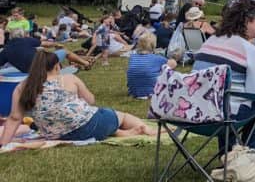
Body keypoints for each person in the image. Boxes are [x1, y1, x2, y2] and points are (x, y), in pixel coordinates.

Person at [1, 50, 156, 145]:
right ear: (57, 66)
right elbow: (91, 101)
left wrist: (4, 143)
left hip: (56, 135)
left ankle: (121, 133)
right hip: (87, 127)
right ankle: (148, 129)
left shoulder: (23, 86)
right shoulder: (68, 78)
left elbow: (14, 118)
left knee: (98, 119)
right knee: (118, 115)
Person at [193, 0, 255, 150]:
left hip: (195, 113)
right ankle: (247, 152)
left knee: (225, 99)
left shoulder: (209, 41)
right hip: (224, 117)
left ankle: (226, 153)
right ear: (247, 21)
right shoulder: (249, 50)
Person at [126, 32, 178, 99]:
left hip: (133, 92)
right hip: (152, 92)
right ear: (153, 45)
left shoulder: (133, 57)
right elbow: (174, 64)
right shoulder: (157, 58)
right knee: (166, 68)